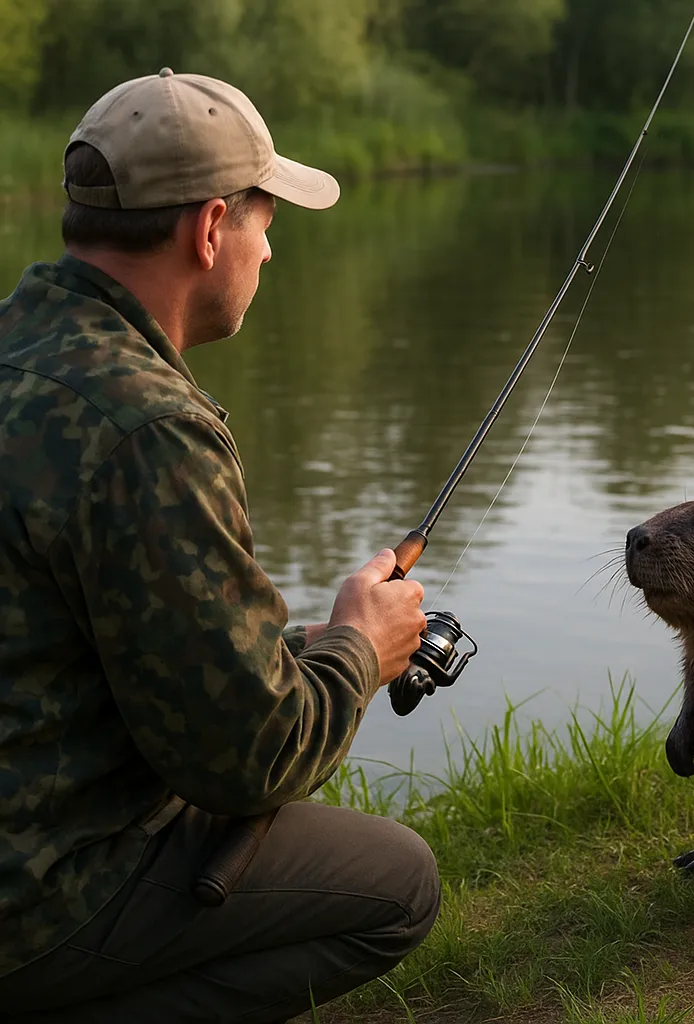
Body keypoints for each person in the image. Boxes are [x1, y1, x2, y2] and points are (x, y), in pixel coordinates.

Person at [0, 69, 439, 1022]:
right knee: (396, 886)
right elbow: (251, 759)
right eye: (265, 221)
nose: (269, 250)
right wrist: (359, 650)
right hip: (32, 899)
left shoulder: (17, 347)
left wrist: (301, 645)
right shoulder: (148, 428)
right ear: (209, 230)